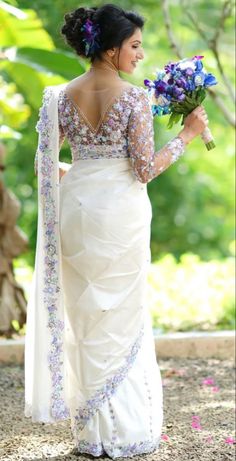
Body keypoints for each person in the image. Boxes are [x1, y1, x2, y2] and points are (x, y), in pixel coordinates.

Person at [24, 3, 208, 459]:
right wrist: (185, 136)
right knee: (119, 316)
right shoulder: (133, 98)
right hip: (120, 214)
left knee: (86, 316)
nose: (141, 55)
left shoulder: (58, 98)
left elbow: (44, 166)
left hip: (78, 210)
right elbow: (144, 170)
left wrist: (84, 175)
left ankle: (91, 434)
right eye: (135, 45)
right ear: (110, 48)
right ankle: (123, 431)